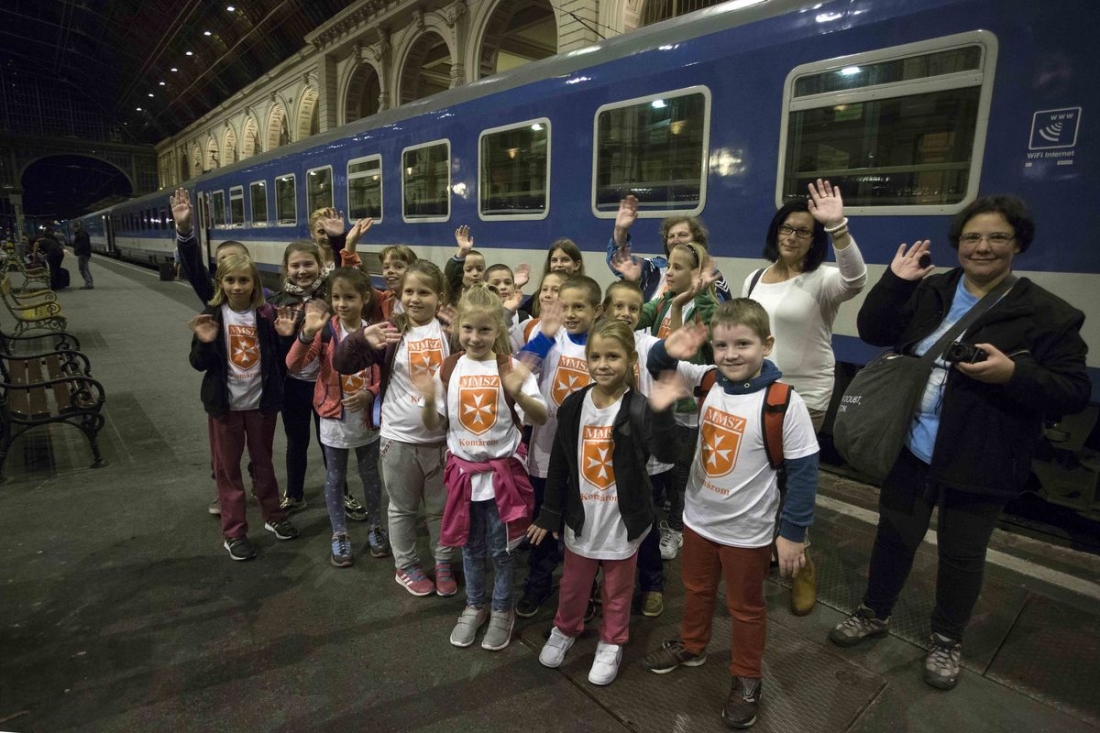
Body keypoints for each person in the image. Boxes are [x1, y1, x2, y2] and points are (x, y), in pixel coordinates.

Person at [828, 195, 1090, 690]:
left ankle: (947, 638)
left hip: (983, 455)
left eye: (997, 237)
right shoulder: (933, 289)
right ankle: (874, 612)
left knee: (962, 553)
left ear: (1017, 244)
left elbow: (1073, 390)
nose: (982, 247)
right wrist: (895, 282)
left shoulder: (1047, 313)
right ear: (959, 243)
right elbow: (873, 331)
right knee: (894, 536)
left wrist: (1014, 374)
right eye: (972, 237)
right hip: (911, 443)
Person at [641, 300, 820, 729]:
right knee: (697, 589)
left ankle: (746, 676)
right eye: (721, 345)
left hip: (748, 531)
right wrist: (670, 346)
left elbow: (804, 471)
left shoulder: (783, 401)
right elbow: (657, 364)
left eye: (743, 344)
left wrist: (792, 533)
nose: (731, 354)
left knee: (746, 608)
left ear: (767, 345)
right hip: (699, 520)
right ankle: (692, 644)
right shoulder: (707, 380)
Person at [530, 319, 681, 686]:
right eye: (595, 356)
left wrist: (663, 413)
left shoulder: (641, 408)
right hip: (582, 517)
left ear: (631, 360)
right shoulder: (574, 405)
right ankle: (565, 628)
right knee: (573, 585)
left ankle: (612, 641)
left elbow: (666, 453)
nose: (602, 364)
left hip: (621, 520)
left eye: (612, 356)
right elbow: (561, 464)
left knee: (618, 590)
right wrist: (550, 513)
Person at [741, 179, 867, 615]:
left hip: (804, 396)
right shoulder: (754, 277)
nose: (792, 237)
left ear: (814, 240)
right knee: (761, 478)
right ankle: (766, 550)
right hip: (759, 391)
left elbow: (856, 279)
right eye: (786, 228)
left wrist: (838, 228)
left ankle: (802, 563)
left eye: (802, 231)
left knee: (793, 480)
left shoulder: (824, 279)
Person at [419, 285, 547, 651]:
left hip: (501, 479)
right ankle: (475, 606)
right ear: (458, 327)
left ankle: (502, 609)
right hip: (464, 478)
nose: (475, 337)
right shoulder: (449, 368)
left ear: (498, 331)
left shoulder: (511, 368)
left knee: (502, 551)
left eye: (485, 330)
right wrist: (428, 400)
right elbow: (434, 425)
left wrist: (518, 393)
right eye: (468, 329)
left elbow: (540, 416)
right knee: (470, 548)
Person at [333, 261, 460, 597]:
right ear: (400, 295)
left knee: (440, 509)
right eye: (409, 292)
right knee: (402, 508)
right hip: (399, 437)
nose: (415, 298)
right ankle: (406, 566)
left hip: (443, 439)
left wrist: (463, 332)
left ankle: (443, 560)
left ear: (440, 296)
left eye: (424, 292)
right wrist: (360, 339)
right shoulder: (391, 332)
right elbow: (342, 364)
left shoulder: (450, 332)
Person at [188, 254, 301, 560]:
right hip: (226, 407)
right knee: (228, 470)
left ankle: (273, 516)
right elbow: (198, 363)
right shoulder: (212, 314)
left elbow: (280, 361)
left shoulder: (266, 315)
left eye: (243, 280)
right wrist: (205, 342)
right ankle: (234, 532)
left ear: (254, 283)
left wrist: (285, 338)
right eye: (230, 280)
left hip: (261, 405)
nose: (237, 286)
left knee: (264, 464)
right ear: (220, 283)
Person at [613, 241, 718, 562]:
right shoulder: (663, 302)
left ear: (696, 274)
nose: (668, 273)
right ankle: (655, 521)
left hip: (686, 406)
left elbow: (694, 345)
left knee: (680, 473)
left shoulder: (706, 308)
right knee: (662, 470)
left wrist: (697, 295)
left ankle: (676, 526)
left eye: (677, 267)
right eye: (669, 265)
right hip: (660, 402)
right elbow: (633, 315)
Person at [287, 270, 398, 566]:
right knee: (335, 478)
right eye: (336, 297)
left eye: (349, 297)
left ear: (364, 298)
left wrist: (371, 393)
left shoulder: (377, 331)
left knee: (370, 474)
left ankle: (376, 526)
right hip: (334, 418)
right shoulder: (325, 332)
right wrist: (306, 334)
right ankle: (339, 533)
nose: (341, 303)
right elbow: (293, 364)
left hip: (366, 420)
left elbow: (388, 375)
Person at [514, 275, 603, 618]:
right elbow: (519, 370)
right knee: (543, 524)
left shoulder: (603, 345)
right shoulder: (549, 338)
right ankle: (537, 582)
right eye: (565, 307)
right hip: (546, 453)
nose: (571, 314)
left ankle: (585, 590)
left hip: (587, 459)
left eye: (579, 307)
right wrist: (545, 335)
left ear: (597, 310)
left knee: (584, 529)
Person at [601, 280, 675, 617]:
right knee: (607, 520)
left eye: (633, 308)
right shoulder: (599, 344)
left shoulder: (650, 346)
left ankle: (652, 584)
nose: (626, 313)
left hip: (647, 458)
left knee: (645, 523)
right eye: (618, 306)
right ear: (605, 309)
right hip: (608, 453)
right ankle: (608, 586)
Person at [606, 195, 731, 302]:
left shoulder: (711, 277)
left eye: (682, 235)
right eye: (671, 236)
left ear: (697, 240)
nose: (676, 240)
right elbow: (617, 261)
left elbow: (720, 317)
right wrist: (620, 230)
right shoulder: (656, 269)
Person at [72, 221, 93, 289]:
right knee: (85, 268)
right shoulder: (82, 232)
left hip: (82, 253)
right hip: (85, 253)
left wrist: (77, 250)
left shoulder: (80, 233)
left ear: (74, 226)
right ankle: (90, 282)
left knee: (82, 268)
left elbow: (81, 244)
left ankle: (88, 283)